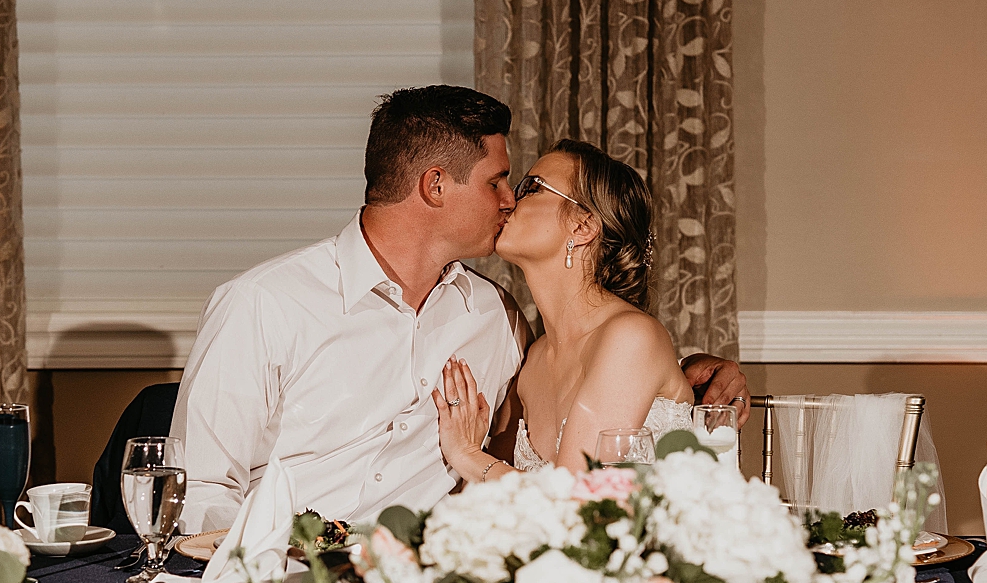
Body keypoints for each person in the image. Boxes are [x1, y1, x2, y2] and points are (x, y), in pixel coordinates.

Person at [171, 86, 747, 531]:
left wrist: (695, 375)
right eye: (501, 182)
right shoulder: (264, 305)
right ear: (436, 187)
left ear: (582, 227)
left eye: (524, 188)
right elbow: (199, 490)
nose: (507, 201)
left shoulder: (495, 319)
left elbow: (619, 389)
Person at [433, 139, 719, 481]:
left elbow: (576, 501)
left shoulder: (630, 337)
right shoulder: (532, 359)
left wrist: (466, 455)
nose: (508, 201)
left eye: (532, 188)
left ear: (582, 227)